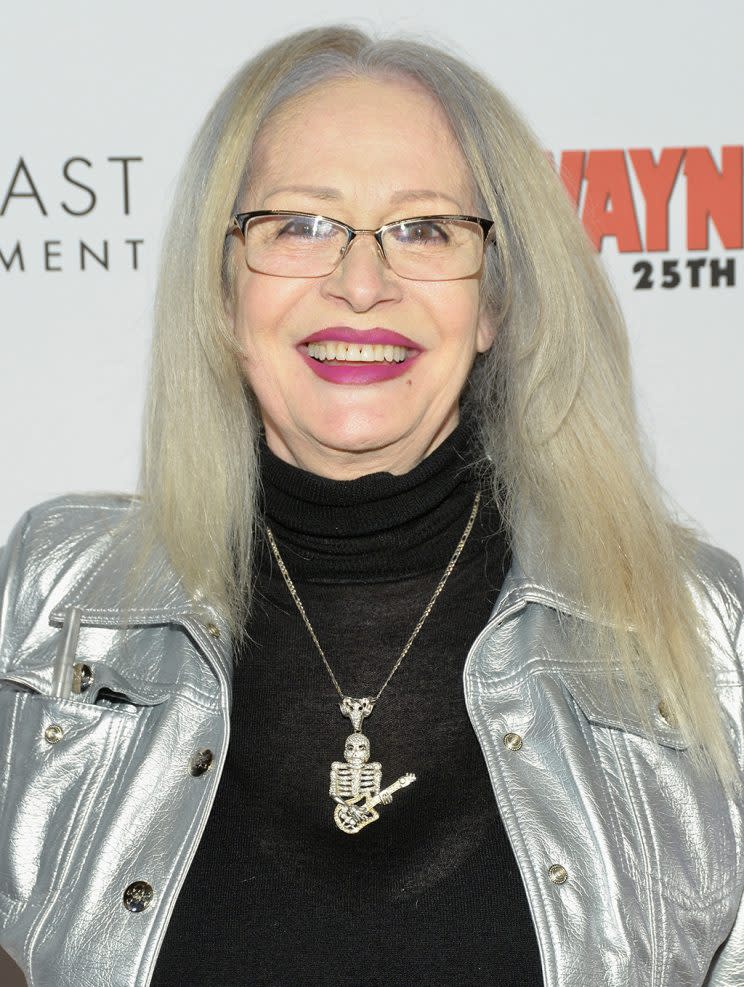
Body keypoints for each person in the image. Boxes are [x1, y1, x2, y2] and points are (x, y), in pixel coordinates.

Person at [0, 24, 742, 987]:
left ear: (494, 303)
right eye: (301, 225)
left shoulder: (697, 629)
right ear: (225, 291)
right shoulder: (51, 599)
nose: (360, 283)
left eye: (425, 228)